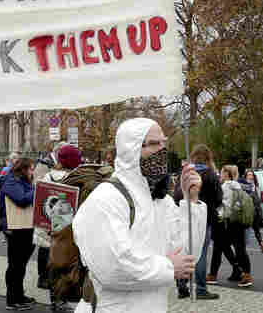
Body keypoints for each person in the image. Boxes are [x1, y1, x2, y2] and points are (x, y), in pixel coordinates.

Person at [72, 118, 205, 313]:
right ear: (131, 149)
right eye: (154, 144)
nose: (162, 150)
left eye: (164, 143)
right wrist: (168, 267)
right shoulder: (107, 198)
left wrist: (191, 201)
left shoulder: (162, 201)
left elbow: (186, 257)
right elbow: (113, 267)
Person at [34, 144, 80, 311]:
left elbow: (40, 204)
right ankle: (62, 300)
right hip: (67, 232)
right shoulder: (76, 179)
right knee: (66, 266)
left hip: (48, 228)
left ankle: (55, 300)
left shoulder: (46, 177)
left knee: (53, 265)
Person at [175, 144, 221, 300]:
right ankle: (200, 288)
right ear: (208, 157)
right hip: (203, 217)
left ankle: (181, 284)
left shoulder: (186, 173)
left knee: (184, 249)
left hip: (185, 215)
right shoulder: (211, 175)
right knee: (200, 252)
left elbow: (177, 194)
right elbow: (218, 198)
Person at [0, 157, 37, 311]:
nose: (32, 172)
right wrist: (37, 189)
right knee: (15, 265)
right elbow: (21, 200)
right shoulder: (11, 181)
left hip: (24, 227)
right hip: (15, 229)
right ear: (23, 169)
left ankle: (19, 295)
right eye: (31, 169)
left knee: (20, 265)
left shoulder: (22, 181)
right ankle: (13, 299)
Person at [241, 170, 263, 253]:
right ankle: (243, 248)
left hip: (256, 211)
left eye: (252, 175)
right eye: (248, 175)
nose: (250, 177)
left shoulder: (256, 186)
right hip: (248, 211)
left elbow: (259, 199)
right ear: (245, 176)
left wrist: (260, 211)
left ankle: (262, 246)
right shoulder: (244, 186)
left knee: (257, 230)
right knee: (245, 230)